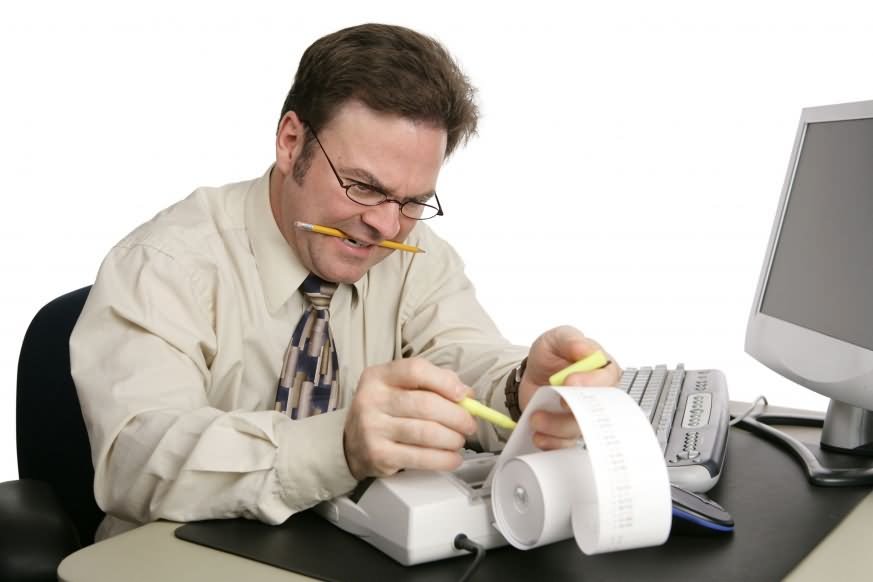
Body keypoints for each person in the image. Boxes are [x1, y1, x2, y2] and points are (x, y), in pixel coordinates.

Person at [70, 23, 620, 540]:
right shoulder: (165, 262)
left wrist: (520, 387)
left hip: (360, 551)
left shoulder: (414, 253)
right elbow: (135, 460)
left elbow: (457, 353)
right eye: (362, 186)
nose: (385, 226)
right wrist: (339, 448)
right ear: (291, 143)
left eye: (412, 200)